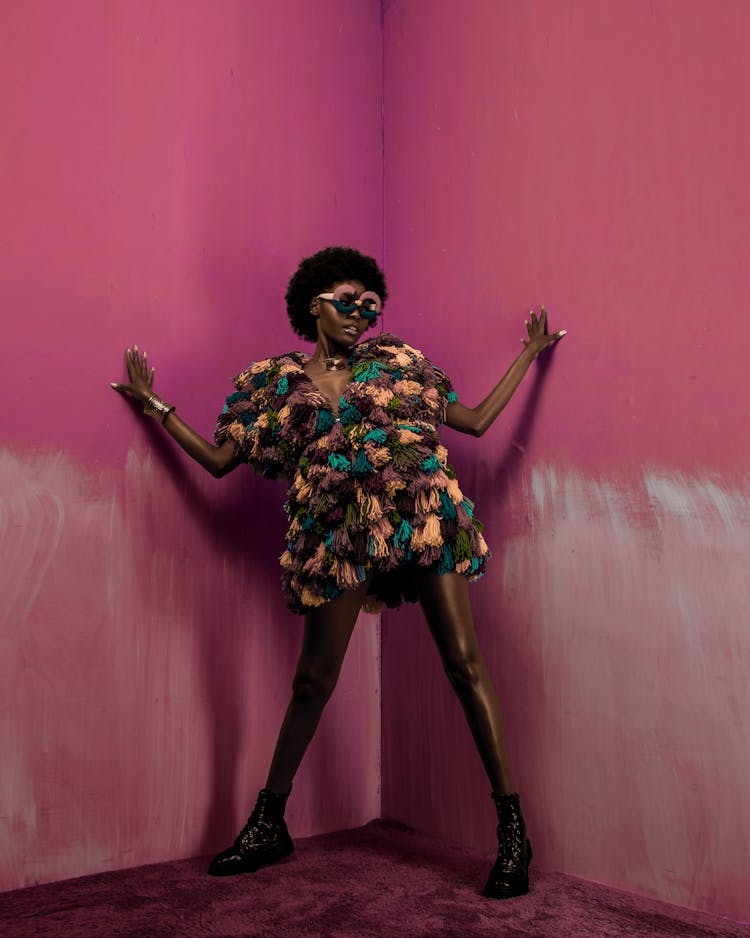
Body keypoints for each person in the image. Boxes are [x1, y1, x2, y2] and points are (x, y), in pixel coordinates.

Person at [111, 246, 565, 899]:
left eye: (368, 305)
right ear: (313, 306)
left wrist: (527, 356)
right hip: (337, 536)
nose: (360, 315)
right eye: (346, 303)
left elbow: (474, 421)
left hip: (422, 516)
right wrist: (155, 406)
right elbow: (218, 461)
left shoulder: (397, 363)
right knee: (312, 680)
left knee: (465, 664)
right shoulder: (275, 383)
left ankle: (515, 833)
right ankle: (270, 823)